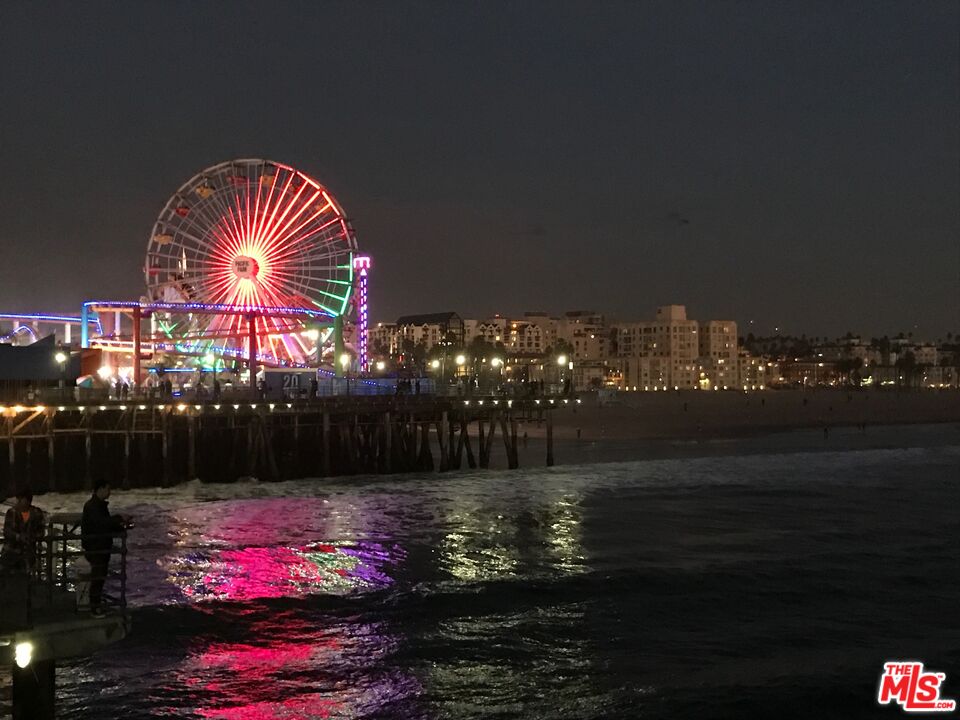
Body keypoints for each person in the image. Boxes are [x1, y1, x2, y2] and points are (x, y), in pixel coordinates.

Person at [81, 480, 127, 615]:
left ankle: (96, 605)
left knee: (99, 577)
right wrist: (119, 519)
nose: (109, 492)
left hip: (98, 547)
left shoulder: (96, 505)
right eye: (107, 489)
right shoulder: (94, 506)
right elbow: (102, 523)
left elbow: (104, 523)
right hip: (96, 548)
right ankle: (94, 608)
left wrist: (119, 523)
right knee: (98, 577)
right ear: (100, 489)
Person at [1, 487, 45, 573]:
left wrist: (31, 536)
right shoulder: (12, 512)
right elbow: (7, 531)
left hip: (28, 551)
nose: (19, 502)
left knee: (26, 575)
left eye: (21, 500)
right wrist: (18, 537)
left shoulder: (36, 513)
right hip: (12, 551)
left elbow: (41, 531)